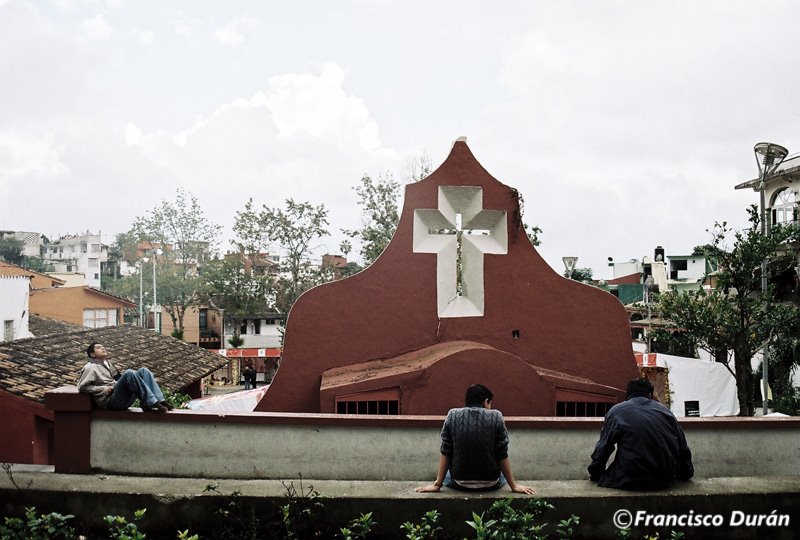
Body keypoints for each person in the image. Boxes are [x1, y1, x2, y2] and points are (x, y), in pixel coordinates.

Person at [415, 384, 536, 494]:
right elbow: (501, 454)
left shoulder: (452, 415)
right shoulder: (496, 416)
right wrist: (513, 486)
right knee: (501, 475)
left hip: (459, 482)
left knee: (448, 473)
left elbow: (446, 450)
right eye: (490, 403)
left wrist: (437, 484)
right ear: (485, 401)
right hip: (491, 482)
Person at [588, 378, 694, 490]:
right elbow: (682, 447)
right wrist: (686, 473)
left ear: (628, 394)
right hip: (663, 479)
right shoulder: (666, 412)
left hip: (630, 478)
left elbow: (604, 447)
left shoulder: (617, 412)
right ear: (649, 394)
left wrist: (595, 473)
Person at [77, 342, 173, 413]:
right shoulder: (90, 367)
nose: (102, 348)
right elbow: (82, 387)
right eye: (98, 347)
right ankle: (150, 403)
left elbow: (118, 379)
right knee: (129, 373)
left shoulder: (108, 364)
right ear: (92, 354)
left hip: (119, 396)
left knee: (144, 371)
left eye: (103, 346)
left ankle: (160, 400)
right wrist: (103, 389)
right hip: (110, 401)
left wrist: (118, 384)